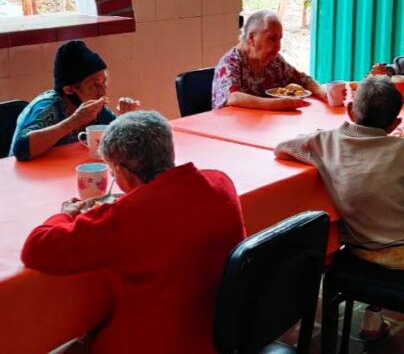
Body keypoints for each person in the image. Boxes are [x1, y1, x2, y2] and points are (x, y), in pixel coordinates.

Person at [21, 111, 246, 353]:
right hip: (223, 333)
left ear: (125, 173)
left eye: (113, 173)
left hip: (154, 343)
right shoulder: (221, 182)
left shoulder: (127, 215)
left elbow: (36, 247)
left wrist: (66, 213)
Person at [274, 76, 404, 353]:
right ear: (394, 124)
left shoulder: (325, 143)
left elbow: (283, 147)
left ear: (349, 111)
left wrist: (322, 137)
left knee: (373, 218)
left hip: (365, 250)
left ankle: (372, 318)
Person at [10, 40, 140, 161]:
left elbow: (116, 138)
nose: (103, 92)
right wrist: (74, 121)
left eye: (104, 82)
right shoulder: (48, 107)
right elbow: (21, 149)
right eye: (94, 85)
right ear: (69, 90)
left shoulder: (94, 108)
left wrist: (126, 118)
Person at [212, 9, 329, 110]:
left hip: (266, 126)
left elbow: (303, 79)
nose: (278, 47)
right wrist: (278, 104)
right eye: (272, 39)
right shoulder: (230, 62)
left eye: (280, 39)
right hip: (233, 128)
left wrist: (323, 93)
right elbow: (232, 97)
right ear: (252, 38)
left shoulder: (274, 61)